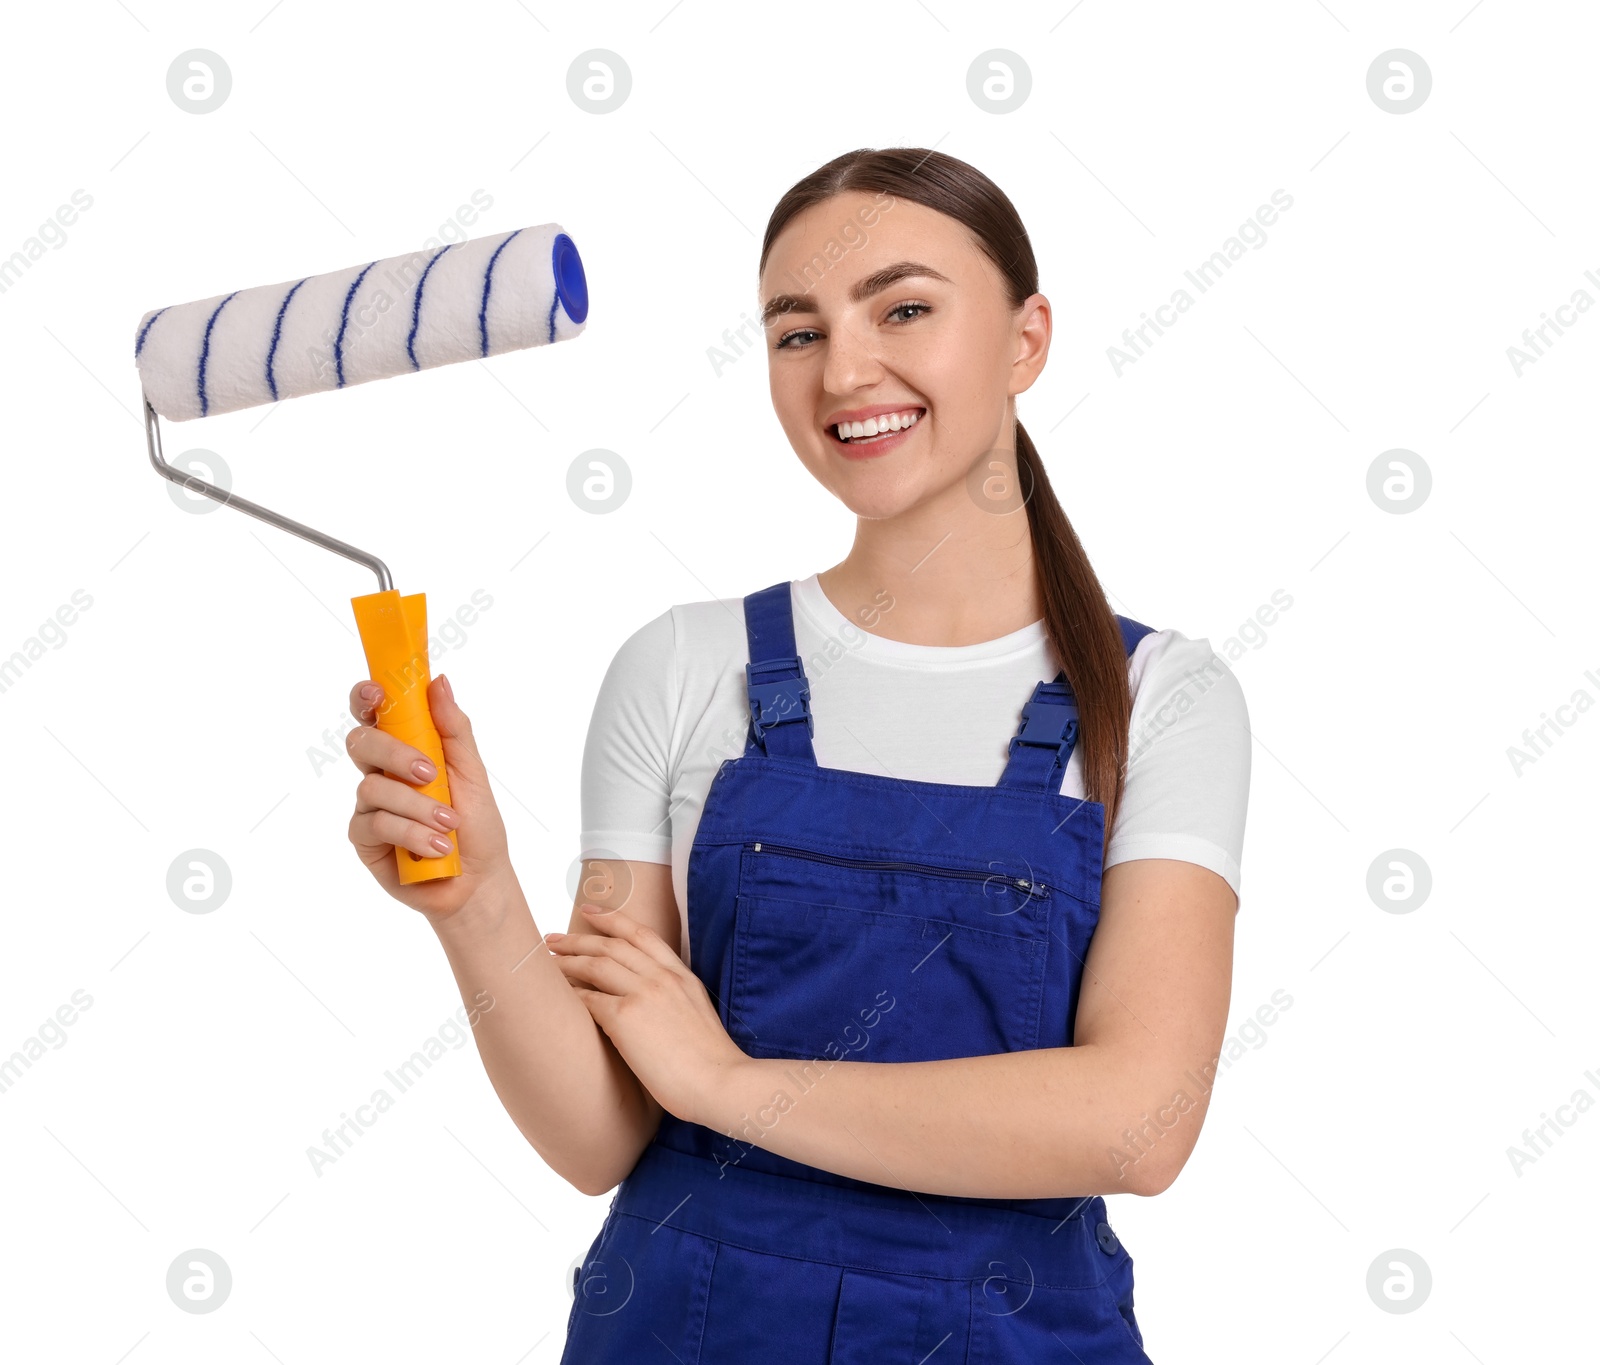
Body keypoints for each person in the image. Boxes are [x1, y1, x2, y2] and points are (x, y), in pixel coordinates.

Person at [343, 147, 1249, 1363]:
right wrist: (477, 904)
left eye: (906, 309)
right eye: (795, 332)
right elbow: (600, 1138)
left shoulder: (1156, 699)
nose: (845, 370)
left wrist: (728, 1087)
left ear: (1027, 339)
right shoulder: (677, 668)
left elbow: (1138, 1123)